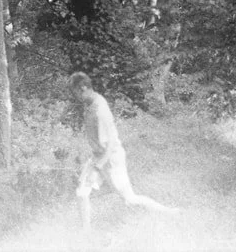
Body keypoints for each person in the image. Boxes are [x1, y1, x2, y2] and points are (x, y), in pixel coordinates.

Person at [68, 71, 177, 229]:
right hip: (97, 157)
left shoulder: (100, 109)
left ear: (83, 87)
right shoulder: (89, 104)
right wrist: (95, 162)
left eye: (75, 92)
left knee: (130, 199)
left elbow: (112, 141)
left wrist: (101, 163)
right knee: (81, 194)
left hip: (112, 158)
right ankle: (86, 235)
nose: (74, 96)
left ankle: (169, 212)